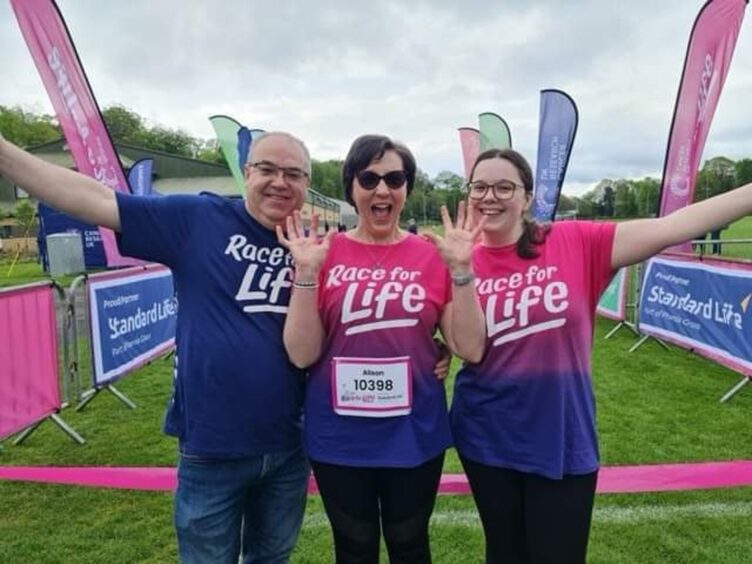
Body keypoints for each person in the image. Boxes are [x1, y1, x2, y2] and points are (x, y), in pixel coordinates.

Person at [0, 130, 313, 563]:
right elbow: (95, 199)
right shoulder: (198, 218)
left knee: (272, 558)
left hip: (290, 446)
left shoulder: (314, 248)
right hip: (212, 446)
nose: (280, 181)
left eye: (293, 174)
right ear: (246, 173)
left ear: (306, 184)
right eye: (267, 169)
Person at [450, 148, 752, 564]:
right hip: (486, 436)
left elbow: (674, 226)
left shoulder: (576, 242)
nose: (491, 197)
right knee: (504, 553)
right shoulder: (458, 260)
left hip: (562, 436)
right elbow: (466, 347)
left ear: (527, 197)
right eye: (480, 187)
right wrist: (460, 273)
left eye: (505, 187)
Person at [276, 134, 486, 563]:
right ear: (351, 186)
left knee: (409, 542)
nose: (382, 190)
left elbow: (469, 346)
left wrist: (461, 270)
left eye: (394, 178)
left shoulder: (430, 255)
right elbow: (301, 354)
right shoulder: (320, 253)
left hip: (413, 432)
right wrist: (305, 273)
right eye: (369, 179)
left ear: (407, 187)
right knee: (354, 546)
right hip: (339, 435)